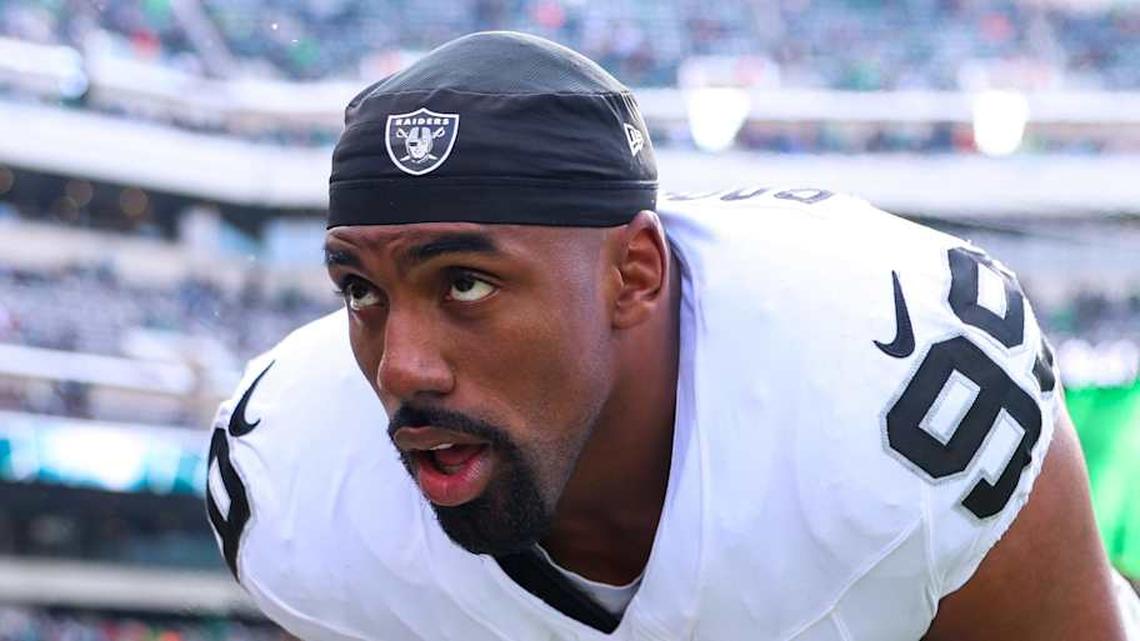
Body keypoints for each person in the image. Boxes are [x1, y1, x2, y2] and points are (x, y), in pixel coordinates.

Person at [205, 32, 1136, 640]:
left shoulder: (895, 387)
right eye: (360, 291)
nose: (402, 365)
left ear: (634, 274)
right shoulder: (294, 481)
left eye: (467, 283)